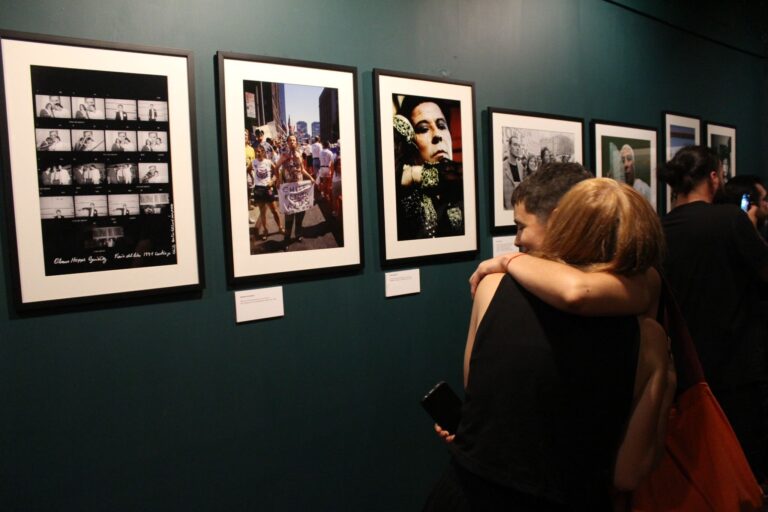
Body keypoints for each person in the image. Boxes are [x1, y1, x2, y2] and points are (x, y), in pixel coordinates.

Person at [426, 177, 672, 511]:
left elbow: (478, 392)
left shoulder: (492, 288)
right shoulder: (650, 341)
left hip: (469, 492)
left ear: (563, 223)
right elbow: (628, 474)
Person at [658, 144, 768, 483]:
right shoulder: (730, 220)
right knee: (743, 467)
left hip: (684, 363)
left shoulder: (660, 228)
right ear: (714, 177)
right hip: (737, 364)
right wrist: (750, 231)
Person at [394, 96, 463, 239]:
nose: (437, 135)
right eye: (424, 129)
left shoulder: (466, 185)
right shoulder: (402, 194)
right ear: (410, 143)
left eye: (442, 126)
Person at [276, 135, 315, 242]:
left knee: (300, 213)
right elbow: (276, 167)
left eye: (294, 140)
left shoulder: (299, 155)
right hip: (289, 189)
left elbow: (302, 170)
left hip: (299, 189)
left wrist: (310, 177)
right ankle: (287, 239)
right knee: (289, 216)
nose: (292, 142)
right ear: (287, 142)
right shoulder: (284, 155)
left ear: (296, 142)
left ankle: (298, 234)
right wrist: (278, 180)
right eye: (290, 140)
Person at [250, 145, 284, 240]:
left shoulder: (268, 162)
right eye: (256, 151)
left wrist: (273, 180)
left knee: (275, 211)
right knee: (262, 212)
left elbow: (277, 171)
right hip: (258, 189)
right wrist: (253, 179)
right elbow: (248, 170)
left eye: (259, 151)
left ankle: (280, 227)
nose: (257, 153)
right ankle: (265, 230)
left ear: (264, 152)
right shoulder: (254, 162)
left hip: (267, 189)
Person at [503, 131, 525, 209]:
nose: (518, 148)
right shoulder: (502, 167)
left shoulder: (521, 167)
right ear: (509, 146)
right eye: (515, 145)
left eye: (519, 146)